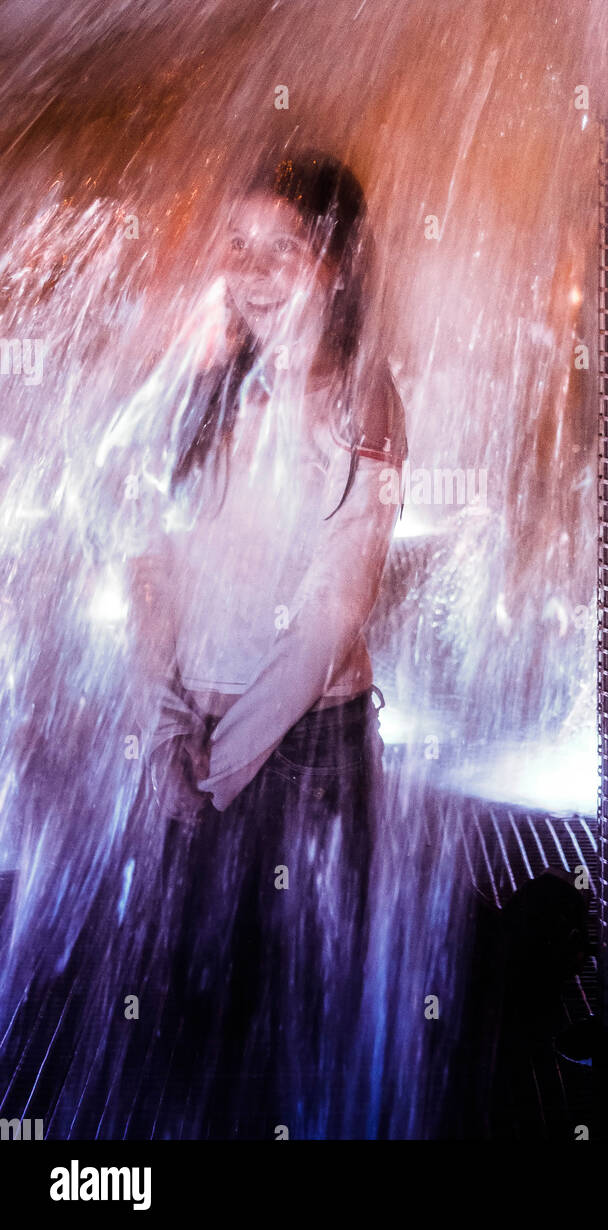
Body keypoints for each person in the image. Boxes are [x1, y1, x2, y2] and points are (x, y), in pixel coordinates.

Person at [120, 149, 407, 1135]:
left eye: (278, 246)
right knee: (198, 1021)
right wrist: (163, 732)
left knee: (299, 1035)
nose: (249, 267)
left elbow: (335, 607)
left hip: (301, 761)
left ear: (331, 262)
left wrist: (221, 765)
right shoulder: (205, 389)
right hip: (193, 750)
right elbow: (152, 564)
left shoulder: (360, 400)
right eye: (235, 243)